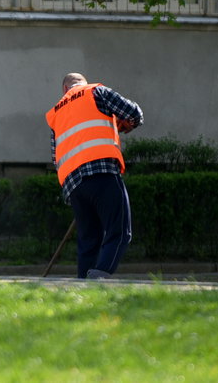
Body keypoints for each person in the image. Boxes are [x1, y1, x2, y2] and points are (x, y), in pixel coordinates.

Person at [45, 72, 144, 279]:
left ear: (65, 90)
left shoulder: (56, 115)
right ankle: (99, 277)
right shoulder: (95, 91)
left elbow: (57, 157)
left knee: (88, 241)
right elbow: (134, 113)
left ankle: (83, 286)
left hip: (74, 185)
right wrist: (122, 124)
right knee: (120, 230)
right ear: (83, 83)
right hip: (102, 171)